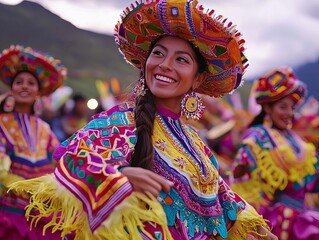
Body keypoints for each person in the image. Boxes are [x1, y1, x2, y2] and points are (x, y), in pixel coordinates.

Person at [10, 1, 277, 239]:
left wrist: (254, 227)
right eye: (158, 53)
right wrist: (118, 177)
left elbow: (222, 197)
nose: (165, 65)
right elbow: (70, 159)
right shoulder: (118, 121)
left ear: (197, 79)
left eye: (181, 59)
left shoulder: (196, 143)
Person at [229, 67, 319, 240]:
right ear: (267, 108)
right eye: (283, 107)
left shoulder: (296, 140)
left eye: (292, 108)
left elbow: (312, 181)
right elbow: (244, 186)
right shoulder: (257, 137)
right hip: (275, 221)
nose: (289, 113)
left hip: (301, 216)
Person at [0, 45, 67, 239]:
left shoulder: (44, 128)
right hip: (8, 207)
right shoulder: (2, 122)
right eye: (19, 82)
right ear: (11, 88)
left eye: (31, 83)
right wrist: (18, 184)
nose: (24, 86)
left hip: (39, 208)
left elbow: (60, 158)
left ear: (38, 91)